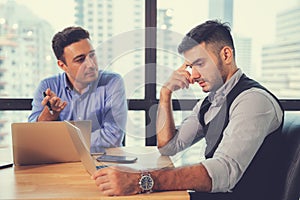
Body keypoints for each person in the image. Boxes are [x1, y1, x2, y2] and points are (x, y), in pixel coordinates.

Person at [91, 20, 285, 200]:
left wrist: (141, 180)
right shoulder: (208, 103)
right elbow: (168, 147)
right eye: (191, 66)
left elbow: (224, 172)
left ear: (226, 55)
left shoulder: (252, 100)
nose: (194, 75)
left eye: (200, 63)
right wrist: (165, 93)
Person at [28, 26, 127, 148]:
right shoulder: (47, 87)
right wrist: (50, 114)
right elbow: (34, 138)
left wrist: (58, 143)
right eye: (80, 60)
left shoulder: (112, 82)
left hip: (103, 163)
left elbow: (112, 138)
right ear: (63, 65)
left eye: (92, 55)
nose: (91, 64)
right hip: (61, 164)